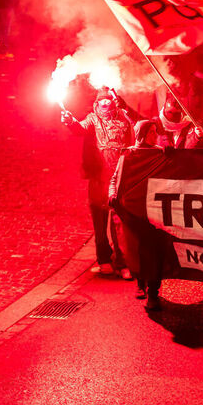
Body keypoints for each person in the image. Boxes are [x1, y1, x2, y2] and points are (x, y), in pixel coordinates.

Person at [62, 89, 135, 277]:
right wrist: (70, 122)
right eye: (101, 100)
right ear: (97, 102)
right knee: (100, 220)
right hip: (98, 177)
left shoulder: (124, 118)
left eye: (108, 100)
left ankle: (123, 261)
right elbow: (80, 128)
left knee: (119, 221)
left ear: (114, 101)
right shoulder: (93, 119)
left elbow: (134, 137)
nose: (105, 103)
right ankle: (103, 259)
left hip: (119, 176)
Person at [109, 121, 169, 308]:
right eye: (151, 132)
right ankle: (141, 283)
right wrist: (112, 194)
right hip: (136, 211)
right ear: (142, 134)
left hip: (155, 211)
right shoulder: (129, 154)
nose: (155, 134)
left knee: (155, 252)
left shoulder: (161, 153)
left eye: (155, 131)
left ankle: (153, 293)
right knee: (138, 250)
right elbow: (115, 177)